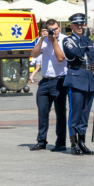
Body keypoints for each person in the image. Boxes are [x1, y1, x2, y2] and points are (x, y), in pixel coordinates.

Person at [63, 13, 94, 155]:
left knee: (85, 113)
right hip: (76, 78)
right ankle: (74, 144)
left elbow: (93, 60)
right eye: (77, 24)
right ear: (71, 26)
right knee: (76, 112)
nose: (80, 27)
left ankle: (82, 142)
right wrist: (84, 40)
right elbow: (78, 53)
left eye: (82, 24)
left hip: (89, 78)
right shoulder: (68, 41)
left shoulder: (88, 40)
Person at [29, 18, 67, 152]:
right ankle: (41, 141)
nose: (53, 32)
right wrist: (41, 39)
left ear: (59, 28)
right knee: (42, 112)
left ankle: (61, 143)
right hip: (45, 80)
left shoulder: (64, 40)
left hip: (59, 80)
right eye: (51, 29)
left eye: (55, 29)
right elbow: (34, 54)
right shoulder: (43, 40)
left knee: (60, 113)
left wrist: (54, 40)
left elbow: (60, 58)